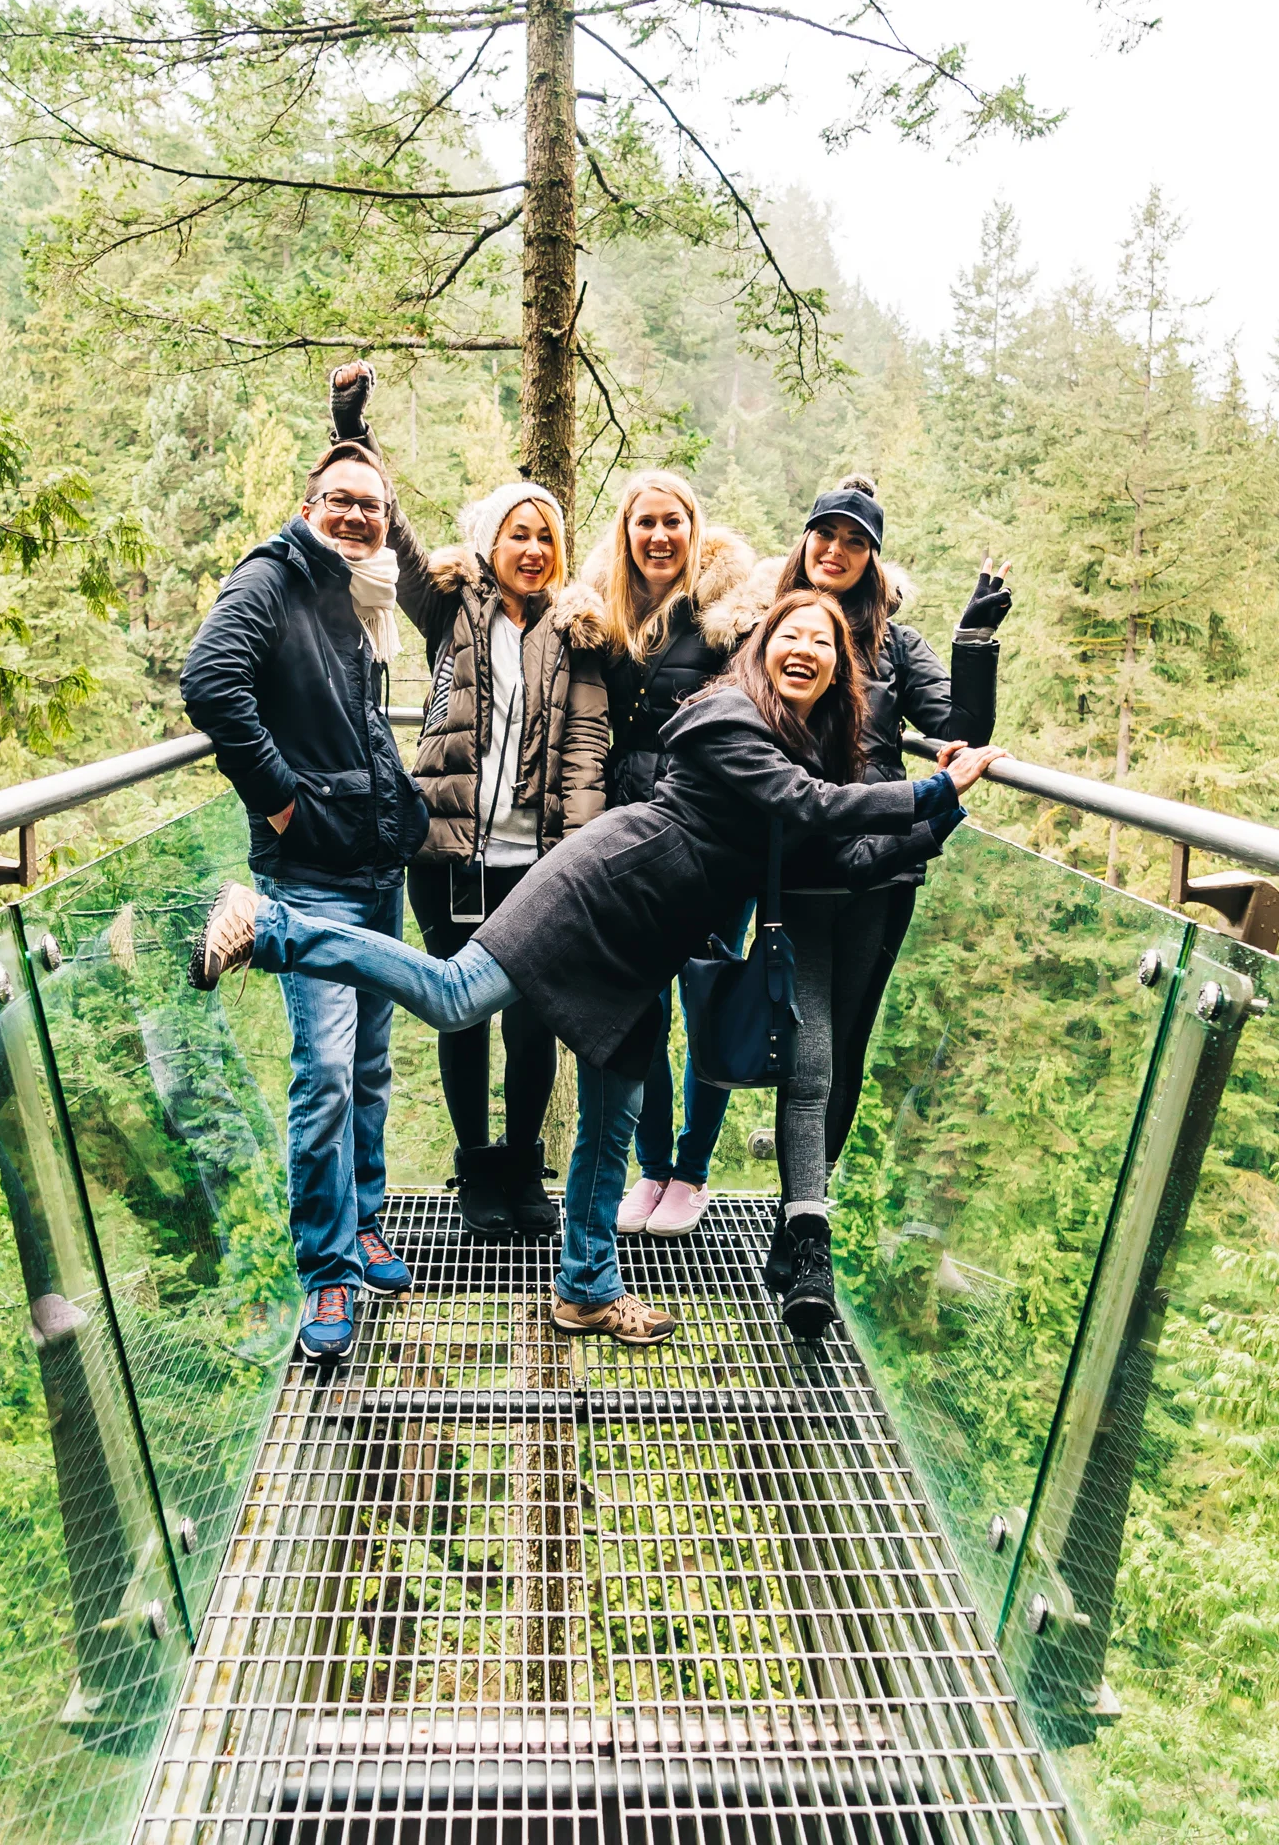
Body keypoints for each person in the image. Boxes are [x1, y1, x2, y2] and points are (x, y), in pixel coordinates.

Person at [187, 590, 1003, 1348]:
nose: (804, 649)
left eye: (822, 643)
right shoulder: (729, 716)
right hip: (603, 890)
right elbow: (813, 811)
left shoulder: (804, 752)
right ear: (760, 646)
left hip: (647, 938)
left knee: (615, 1111)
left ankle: (586, 1285)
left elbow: (851, 851)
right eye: (789, 634)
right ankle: (273, 925)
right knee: (455, 996)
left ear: (837, 671)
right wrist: (931, 789)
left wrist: (947, 812)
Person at [326, 362, 608, 1239]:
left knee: (533, 1027)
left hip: (541, 863)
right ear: (489, 542)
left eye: (545, 537)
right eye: (517, 534)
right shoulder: (450, 609)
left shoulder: (577, 631)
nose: (532, 549)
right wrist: (353, 429)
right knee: (460, 1017)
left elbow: (590, 748)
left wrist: (582, 852)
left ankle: (524, 1170)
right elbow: (392, 539)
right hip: (449, 852)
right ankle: (476, 1173)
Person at [180, 433, 427, 1365]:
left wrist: (352, 412)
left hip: (373, 864)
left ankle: (363, 1221)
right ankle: (326, 1265)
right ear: (308, 504)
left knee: (366, 1065)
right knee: (323, 1073)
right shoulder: (274, 576)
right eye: (342, 500)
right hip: (313, 870)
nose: (359, 516)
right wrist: (281, 802)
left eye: (373, 505)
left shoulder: (351, 595)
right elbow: (211, 684)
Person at [760, 474, 1012, 1319]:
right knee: (810, 1054)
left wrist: (973, 641)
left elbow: (961, 736)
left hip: (880, 874)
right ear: (803, 542)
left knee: (848, 1053)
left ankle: (803, 1216)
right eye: (823, 534)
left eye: (853, 539)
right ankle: (807, 1242)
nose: (834, 550)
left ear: (872, 557)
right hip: (795, 869)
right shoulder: (771, 629)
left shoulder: (897, 648)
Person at [582, 470, 759, 1240]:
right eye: (644, 523)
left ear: (696, 530)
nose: (658, 536)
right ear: (626, 535)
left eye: (672, 522)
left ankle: (692, 1172)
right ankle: (651, 1168)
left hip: (719, 837)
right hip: (633, 833)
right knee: (640, 1008)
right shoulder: (606, 617)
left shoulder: (730, 616)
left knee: (708, 1000)